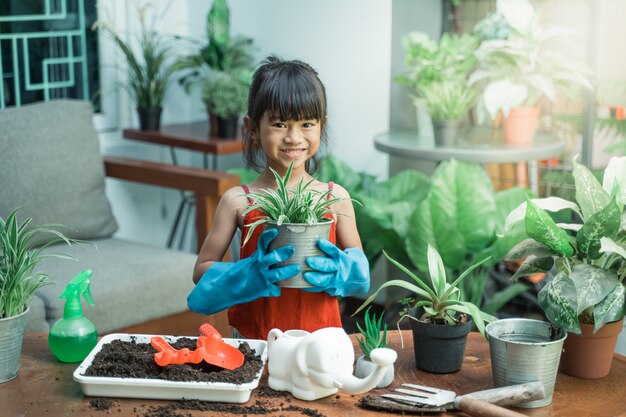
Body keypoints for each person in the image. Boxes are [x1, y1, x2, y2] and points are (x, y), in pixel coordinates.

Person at [187, 55, 369, 340]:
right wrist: (250, 272)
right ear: (252, 128)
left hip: (320, 344)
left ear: (322, 125)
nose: (294, 138)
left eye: (307, 124)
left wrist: (341, 270)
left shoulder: (335, 198)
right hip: (255, 341)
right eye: (280, 124)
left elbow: (361, 276)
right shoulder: (240, 201)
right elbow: (201, 272)